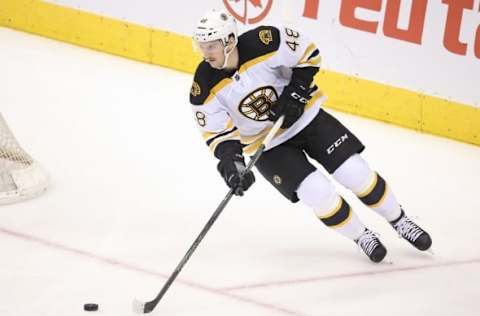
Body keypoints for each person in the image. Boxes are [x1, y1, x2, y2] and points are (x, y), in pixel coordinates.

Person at [189, 9, 432, 263]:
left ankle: (401, 221)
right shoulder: (203, 86)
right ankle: (362, 236)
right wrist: (232, 165)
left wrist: (295, 92)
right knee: (317, 192)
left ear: (229, 41)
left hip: (306, 118)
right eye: (201, 46)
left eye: (211, 46)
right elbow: (219, 135)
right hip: (268, 144)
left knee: (355, 172)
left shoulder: (266, 41)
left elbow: (308, 55)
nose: (205, 53)